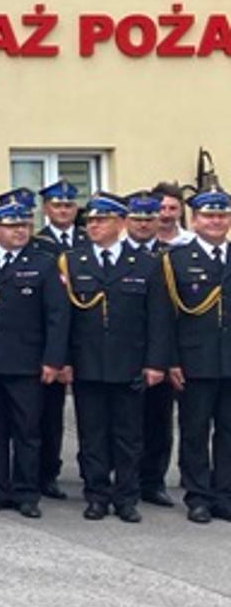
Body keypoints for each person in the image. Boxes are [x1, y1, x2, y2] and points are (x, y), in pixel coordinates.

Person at [61, 192, 161, 523]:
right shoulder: (73, 261)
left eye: (100, 221)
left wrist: (155, 362)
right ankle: (97, 495)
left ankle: (126, 497)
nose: (93, 226)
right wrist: (64, 360)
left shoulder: (146, 263)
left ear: (120, 223)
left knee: (129, 436)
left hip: (129, 362)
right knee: (92, 435)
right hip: (88, 362)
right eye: (89, 221)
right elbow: (64, 320)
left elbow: (157, 319)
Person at [0, 192, 70, 519]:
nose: (19, 231)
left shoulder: (42, 263)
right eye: (11, 226)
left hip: (27, 363)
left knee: (27, 431)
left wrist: (53, 359)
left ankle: (27, 492)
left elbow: (57, 316)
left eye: (24, 225)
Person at [149, 189, 231, 524]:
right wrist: (170, 360)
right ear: (195, 220)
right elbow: (165, 317)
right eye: (209, 216)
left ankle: (224, 494)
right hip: (194, 361)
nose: (216, 221)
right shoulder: (174, 261)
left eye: (222, 216)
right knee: (194, 430)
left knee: (228, 432)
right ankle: (198, 496)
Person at [31, 179, 86, 501]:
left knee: (86, 418)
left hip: (87, 339)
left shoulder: (87, 239)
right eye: (57, 206)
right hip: (49, 342)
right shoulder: (36, 243)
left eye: (68, 205)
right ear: (46, 209)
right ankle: (45, 472)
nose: (63, 210)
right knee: (46, 415)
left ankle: (85, 472)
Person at [126, 192, 179, 508]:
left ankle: (152, 482)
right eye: (137, 219)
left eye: (149, 219)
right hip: (124, 353)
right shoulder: (113, 254)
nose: (144, 225)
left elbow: (175, 315)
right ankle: (125, 480)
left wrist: (169, 359)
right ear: (126, 221)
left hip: (161, 353)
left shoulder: (171, 256)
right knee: (125, 424)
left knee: (159, 422)